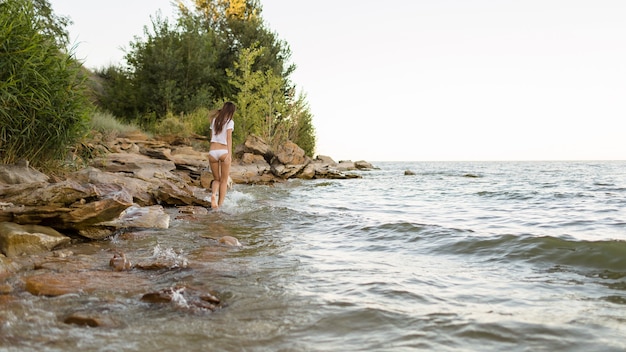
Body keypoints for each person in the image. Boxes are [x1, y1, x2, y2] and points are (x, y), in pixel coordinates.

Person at [208, 101, 236, 209]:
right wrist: (229, 154)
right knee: (224, 180)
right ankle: (219, 206)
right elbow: (229, 138)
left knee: (216, 179)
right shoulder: (230, 122)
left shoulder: (214, 120)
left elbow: (211, 138)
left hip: (212, 152)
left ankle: (213, 195)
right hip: (223, 151)